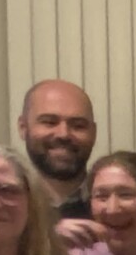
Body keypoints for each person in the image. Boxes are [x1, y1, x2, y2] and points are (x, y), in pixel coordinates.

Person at [17, 79, 99, 220]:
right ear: (23, 127)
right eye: (50, 122)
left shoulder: (114, 207)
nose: (63, 134)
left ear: (94, 133)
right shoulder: (4, 204)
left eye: (78, 125)